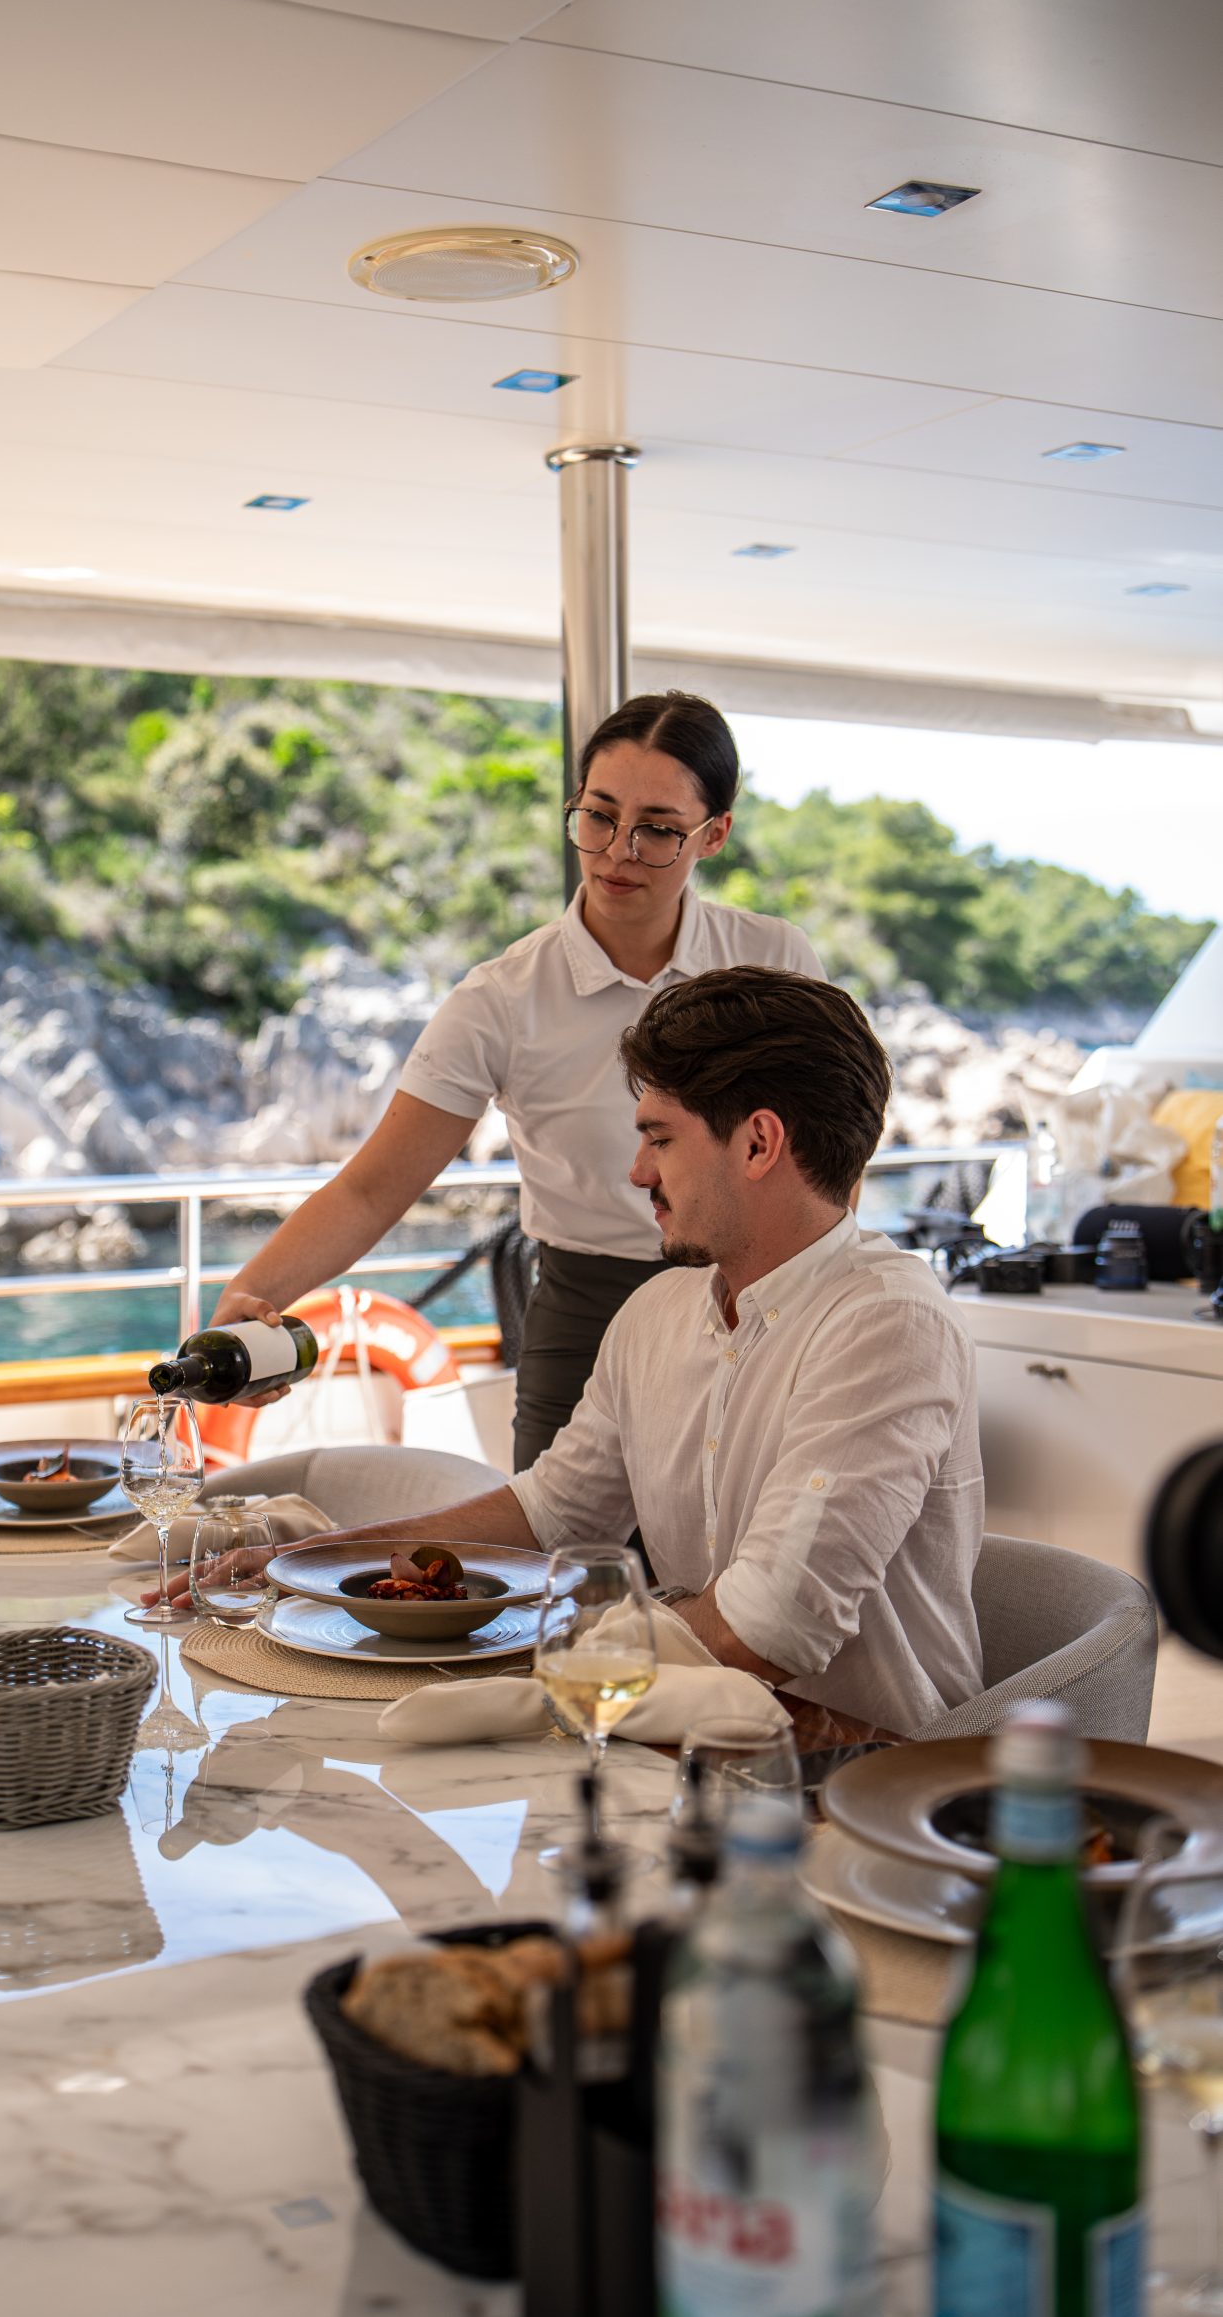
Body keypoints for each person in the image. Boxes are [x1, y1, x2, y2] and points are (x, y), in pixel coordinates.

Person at [266, 969, 984, 1737]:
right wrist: (318, 1564)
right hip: (674, 1740)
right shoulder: (656, 1312)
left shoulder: (886, 1322)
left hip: (856, 1776)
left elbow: (765, 1631)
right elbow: (554, 1513)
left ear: (758, 1142)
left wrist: (550, 1689)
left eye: (659, 1138)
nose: (638, 1172)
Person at [212, 692, 825, 1467]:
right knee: (563, 1570)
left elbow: (832, 1164)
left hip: (759, 1307)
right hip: (584, 1317)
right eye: (597, 817)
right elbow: (371, 1190)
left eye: (658, 831)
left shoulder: (775, 963)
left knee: (750, 1567)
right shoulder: (500, 998)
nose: (616, 852)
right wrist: (249, 1297)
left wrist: (809, 1308)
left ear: (713, 836)